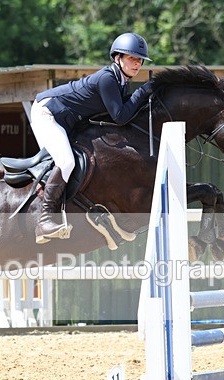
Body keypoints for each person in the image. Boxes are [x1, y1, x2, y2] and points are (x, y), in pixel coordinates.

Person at [30, 32, 153, 244]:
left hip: (66, 119)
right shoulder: (108, 78)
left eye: (140, 60)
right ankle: (44, 220)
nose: (137, 64)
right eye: (132, 58)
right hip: (47, 112)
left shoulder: (120, 81)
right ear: (117, 58)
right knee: (66, 161)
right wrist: (143, 92)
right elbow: (121, 116)